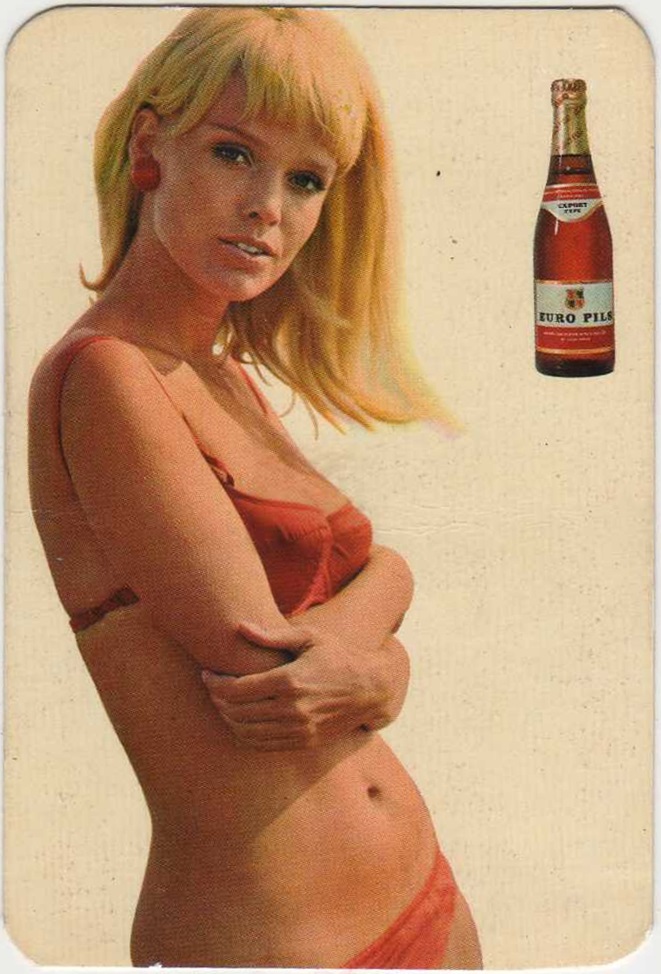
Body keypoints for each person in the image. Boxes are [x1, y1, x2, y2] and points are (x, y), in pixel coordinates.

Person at [28, 7, 481, 969]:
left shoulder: (222, 379)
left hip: (424, 903)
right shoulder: (105, 375)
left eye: (305, 179)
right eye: (234, 154)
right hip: (269, 938)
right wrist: (387, 649)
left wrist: (385, 617)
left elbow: (332, 655)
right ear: (149, 148)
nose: (268, 207)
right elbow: (267, 669)